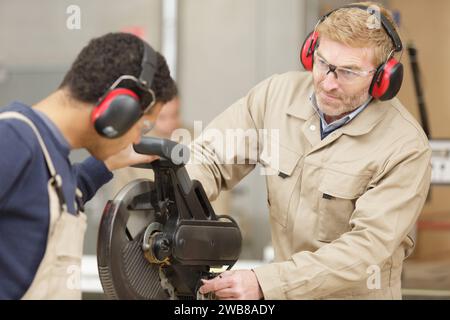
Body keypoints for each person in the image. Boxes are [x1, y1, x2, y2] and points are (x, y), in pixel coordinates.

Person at [191, 2, 431, 299]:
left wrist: (265, 283)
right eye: (322, 63)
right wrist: (174, 200)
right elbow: (210, 158)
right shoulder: (275, 96)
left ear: (383, 78)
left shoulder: (405, 148)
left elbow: (365, 248)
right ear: (310, 52)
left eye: (348, 72)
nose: (328, 83)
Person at [0, 32, 177, 299]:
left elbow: (45, 201)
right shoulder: (12, 139)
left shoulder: (47, 156)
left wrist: (103, 164)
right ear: (118, 109)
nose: (139, 138)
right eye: (143, 125)